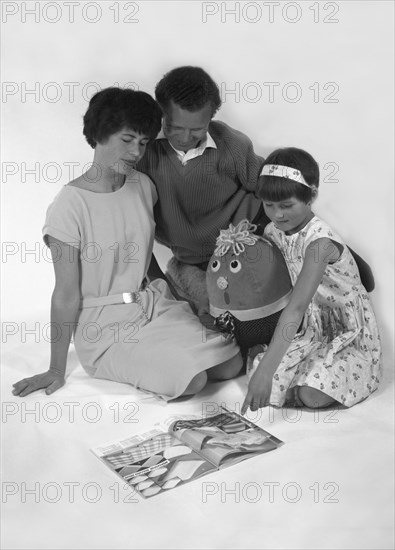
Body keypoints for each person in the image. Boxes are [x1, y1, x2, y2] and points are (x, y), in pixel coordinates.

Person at [12, 87, 242, 400]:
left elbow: (143, 259)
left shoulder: (143, 186)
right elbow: (64, 294)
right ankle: (156, 358)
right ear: (99, 134)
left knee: (231, 364)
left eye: (144, 142)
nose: (136, 151)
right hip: (104, 328)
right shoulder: (69, 205)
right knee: (193, 381)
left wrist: (182, 302)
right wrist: (55, 368)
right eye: (127, 139)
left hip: (153, 306)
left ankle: (173, 346)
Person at [137, 66, 375, 307]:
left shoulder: (230, 143)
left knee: (292, 263)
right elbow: (136, 223)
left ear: (211, 118)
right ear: (161, 114)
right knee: (227, 307)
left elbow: (272, 185)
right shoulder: (144, 154)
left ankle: (339, 254)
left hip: (252, 232)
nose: (185, 137)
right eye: (175, 127)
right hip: (196, 258)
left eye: (196, 129)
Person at [241, 147, 382, 413]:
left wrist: (265, 374)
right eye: (269, 205)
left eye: (286, 205)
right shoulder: (274, 230)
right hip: (312, 327)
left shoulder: (319, 245)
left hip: (347, 331)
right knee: (262, 370)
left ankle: (343, 371)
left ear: (312, 196)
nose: (277, 215)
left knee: (310, 395)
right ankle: (297, 370)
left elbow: (296, 307)